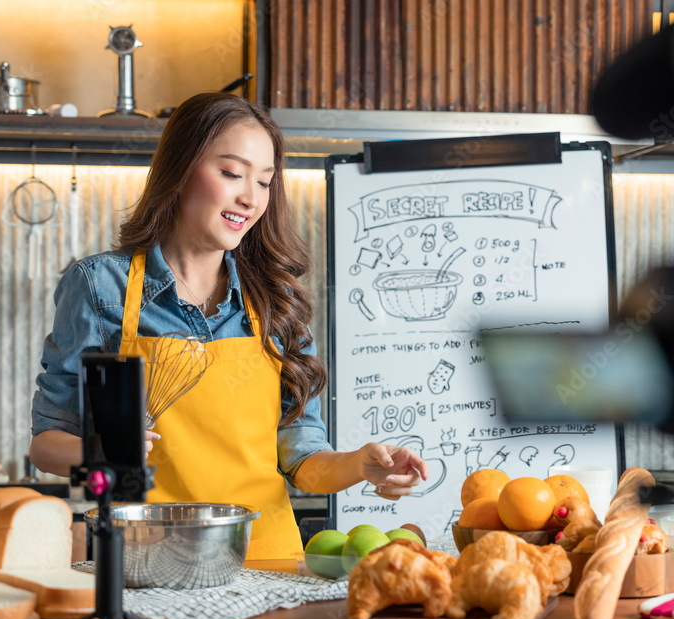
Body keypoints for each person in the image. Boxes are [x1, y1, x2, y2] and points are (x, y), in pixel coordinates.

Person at [29, 92, 428, 560]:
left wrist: (361, 466)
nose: (250, 198)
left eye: (264, 182)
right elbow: (46, 446)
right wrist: (102, 455)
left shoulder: (277, 302)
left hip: (266, 561)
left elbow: (301, 461)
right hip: (146, 564)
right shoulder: (101, 287)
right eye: (232, 173)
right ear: (179, 170)